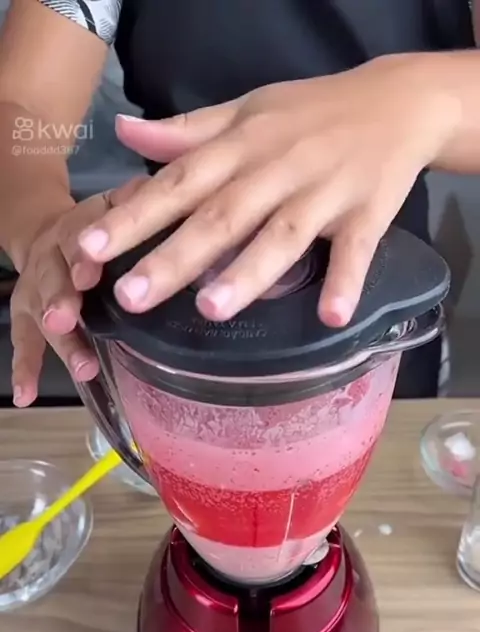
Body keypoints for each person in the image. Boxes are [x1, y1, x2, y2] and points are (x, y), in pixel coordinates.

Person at [0, 0, 477, 406]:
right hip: (174, 313)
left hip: (382, 302)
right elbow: (24, 109)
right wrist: (42, 225)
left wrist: (421, 100)